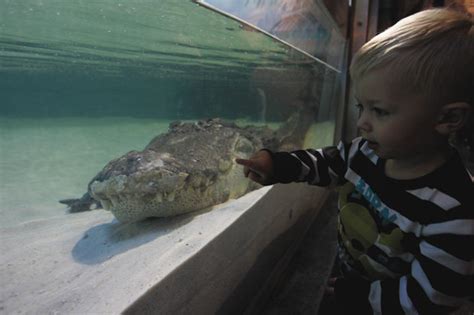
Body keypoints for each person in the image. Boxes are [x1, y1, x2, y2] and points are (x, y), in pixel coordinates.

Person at [236, 8, 473, 315]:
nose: (362, 122)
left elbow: (429, 299)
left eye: (380, 111)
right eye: (361, 107)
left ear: (448, 118)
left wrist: (361, 298)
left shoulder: (454, 212)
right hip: (353, 278)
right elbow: (324, 163)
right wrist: (277, 165)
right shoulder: (365, 153)